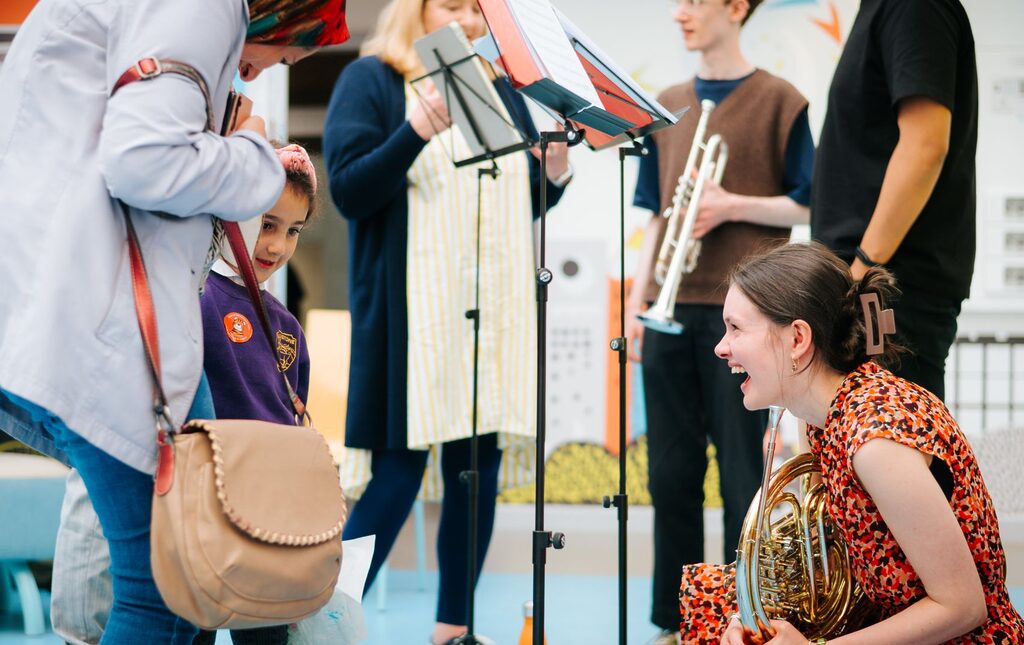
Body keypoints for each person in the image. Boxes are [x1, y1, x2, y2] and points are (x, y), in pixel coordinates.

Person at [0, 2, 348, 643]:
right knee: (164, 590)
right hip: (100, 323)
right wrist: (252, 153)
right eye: (289, 56)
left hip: (64, 307)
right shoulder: (206, 6)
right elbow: (143, 161)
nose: (260, 70)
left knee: (184, 583)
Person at [322, 1, 570, 643]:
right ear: (418, 7)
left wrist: (554, 178)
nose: (465, 17)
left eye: (475, 6)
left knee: (475, 470)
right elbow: (348, 190)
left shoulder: (496, 87)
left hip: (487, 311)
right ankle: (320, 623)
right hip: (411, 318)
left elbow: (509, 202)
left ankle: (452, 631)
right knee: (397, 474)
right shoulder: (372, 79)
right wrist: (416, 129)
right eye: (451, 3)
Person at [677, 242, 1024, 644]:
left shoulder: (876, 443)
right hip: (885, 617)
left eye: (736, 328)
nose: (721, 347)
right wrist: (755, 618)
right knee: (715, 610)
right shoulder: (819, 419)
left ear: (797, 339)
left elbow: (963, 606)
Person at [627, 0, 814, 640]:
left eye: (695, 2)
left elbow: (808, 198)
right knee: (670, 475)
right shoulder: (667, 101)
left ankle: (745, 617)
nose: (680, 13)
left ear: (735, 8)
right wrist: (635, 307)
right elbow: (655, 215)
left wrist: (732, 203)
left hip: (749, 318)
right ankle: (675, 621)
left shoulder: (782, 100)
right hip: (669, 309)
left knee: (743, 476)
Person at [810, 0, 978, 401]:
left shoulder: (912, 7)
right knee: (862, 450)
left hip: (883, 287)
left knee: (891, 448)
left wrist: (860, 271)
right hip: (870, 283)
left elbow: (925, 146)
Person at [191, 144, 317, 645]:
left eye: (293, 231)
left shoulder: (286, 324)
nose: (279, 245)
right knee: (192, 629)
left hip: (268, 515)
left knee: (265, 636)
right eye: (267, 224)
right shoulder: (195, 297)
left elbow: (293, 416)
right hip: (201, 509)